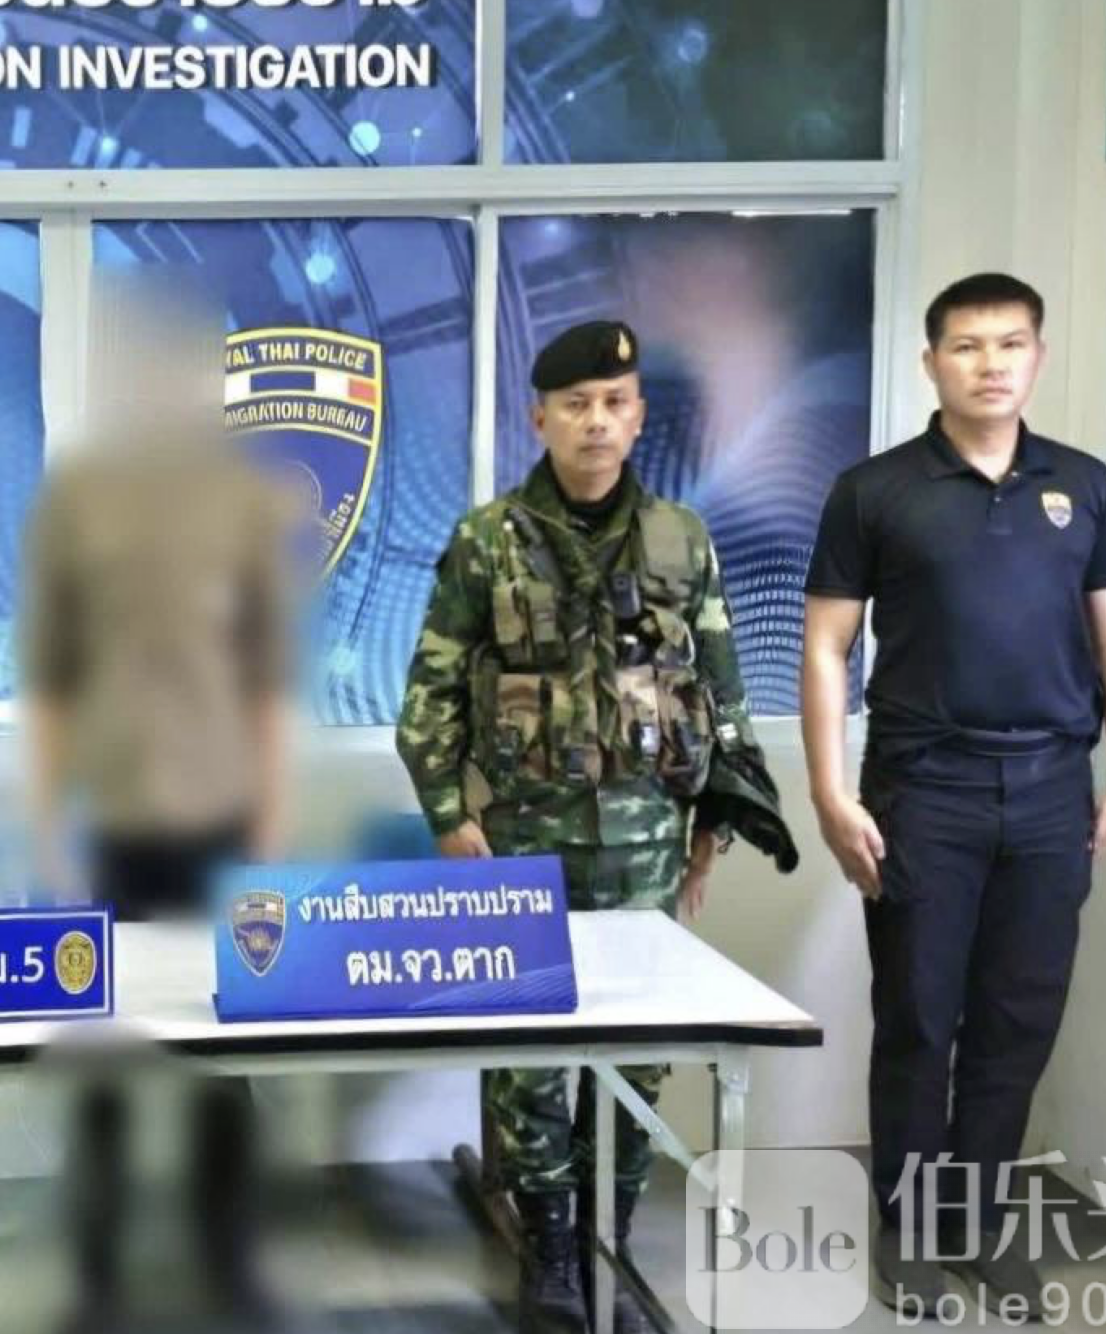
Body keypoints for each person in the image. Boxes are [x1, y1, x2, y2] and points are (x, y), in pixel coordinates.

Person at [396, 320, 797, 1332]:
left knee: (637, 1053)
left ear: (639, 416)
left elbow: (723, 695)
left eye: (614, 402)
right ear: (539, 419)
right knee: (531, 1053)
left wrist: (713, 823)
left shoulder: (681, 540)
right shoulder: (486, 540)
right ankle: (551, 1247)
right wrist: (447, 817)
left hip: (646, 847)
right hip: (519, 844)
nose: (596, 421)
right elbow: (430, 693)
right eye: (575, 405)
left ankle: (606, 1232)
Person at [801, 273, 1106, 1318]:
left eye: (1009, 343)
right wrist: (828, 792)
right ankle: (909, 1229)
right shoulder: (874, 490)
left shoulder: (1082, 486)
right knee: (918, 1015)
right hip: (924, 790)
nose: (989, 363)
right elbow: (825, 648)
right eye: (966, 345)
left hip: (1050, 790)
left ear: (1037, 356)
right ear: (931, 363)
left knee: (1016, 1017)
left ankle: (979, 1225)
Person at [18, 272, 297, 1332]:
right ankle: (95, 1276)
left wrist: (270, 824)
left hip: (221, 825)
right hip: (113, 826)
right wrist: (46, 824)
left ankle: (230, 1263)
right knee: (99, 1055)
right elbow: (50, 681)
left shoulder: (242, 505)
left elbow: (267, 683)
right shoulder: (75, 506)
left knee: (228, 1057)